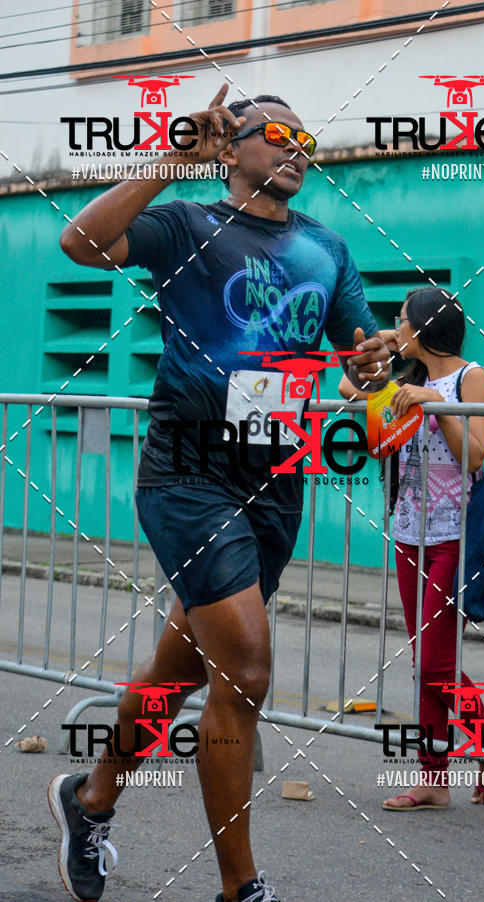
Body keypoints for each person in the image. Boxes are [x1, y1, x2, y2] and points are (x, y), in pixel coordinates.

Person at [48, 84, 390, 902]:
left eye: (306, 138)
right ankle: (242, 890)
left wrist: (374, 362)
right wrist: (170, 158)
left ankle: (90, 800)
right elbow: (80, 243)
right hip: (188, 472)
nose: (296, 146)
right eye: (276, 132)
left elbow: (359, 354)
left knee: (179, 672)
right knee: (246, 673)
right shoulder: (187, 225)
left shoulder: (326, 249)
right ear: (231, 147)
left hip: (275, 481)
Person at [339, 287, 484, 809]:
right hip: (409, 531)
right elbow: (347, 387)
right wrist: (387, 344)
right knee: (425, 663)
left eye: (401, 318)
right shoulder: (404, 377)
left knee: (435, 665)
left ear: (424, 327)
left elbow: (474, 456)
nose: (395, 322)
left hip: (455, 534)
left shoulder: (469, 376)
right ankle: (434, 781)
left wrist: (435, 403)